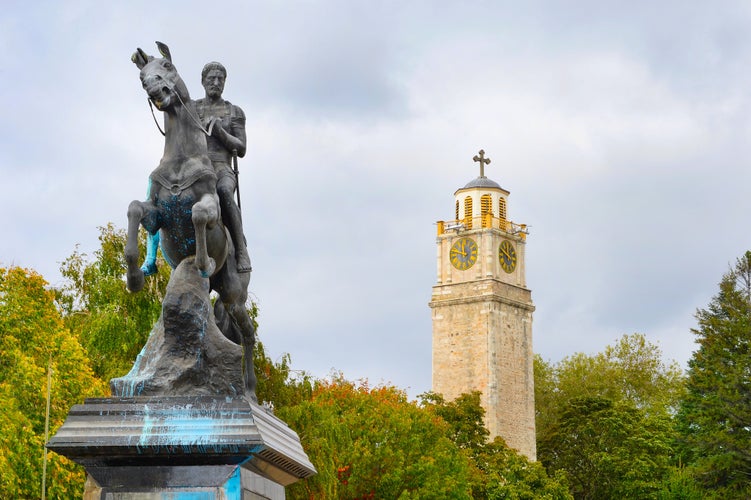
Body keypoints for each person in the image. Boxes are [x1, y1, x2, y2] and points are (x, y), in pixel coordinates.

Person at [195, 61, 252, 273]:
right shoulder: (192, 108)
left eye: (220, 79)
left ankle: (240, 250)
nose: (216, 82)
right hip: (197, 167)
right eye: (212, 78)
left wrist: (221, 132)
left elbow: (242, 147)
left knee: (224, 191)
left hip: (221, 167)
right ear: (203, 81)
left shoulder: (233, 111)